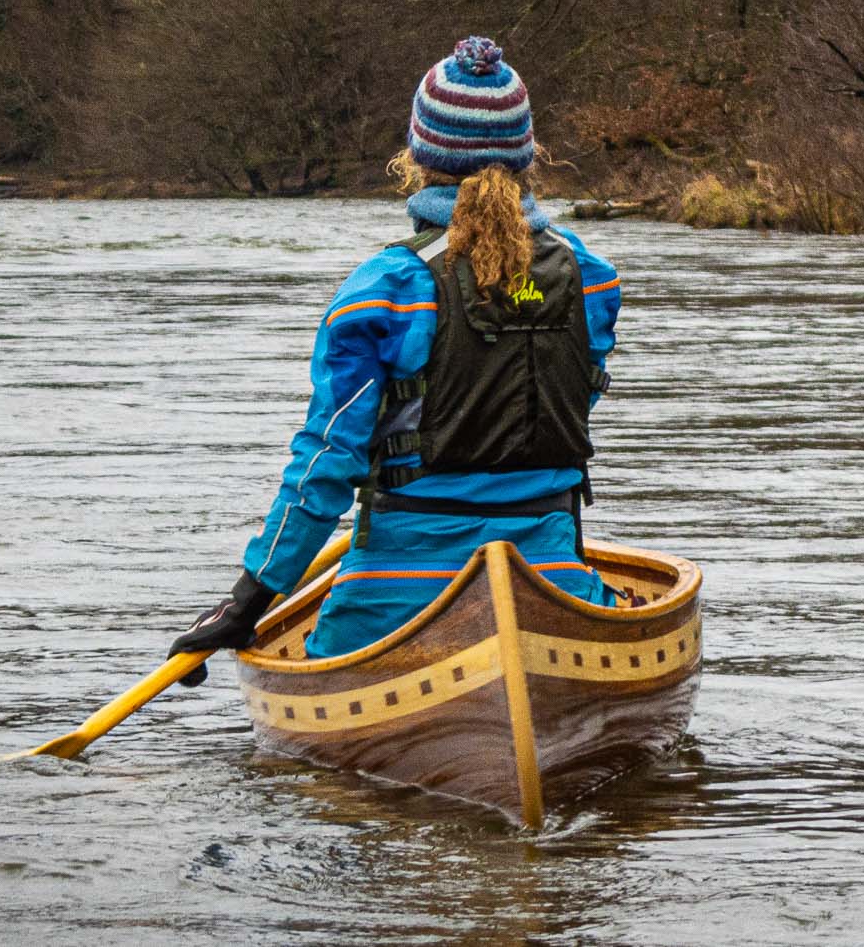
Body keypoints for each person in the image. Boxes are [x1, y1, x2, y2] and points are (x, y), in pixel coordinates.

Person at [169, 36, 622, 676]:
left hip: (393, 596)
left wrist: (248, 601)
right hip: (550, 581)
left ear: (417, 158)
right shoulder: (595, 280)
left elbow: (326, 462)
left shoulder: (382, 291)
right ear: (528, 157)